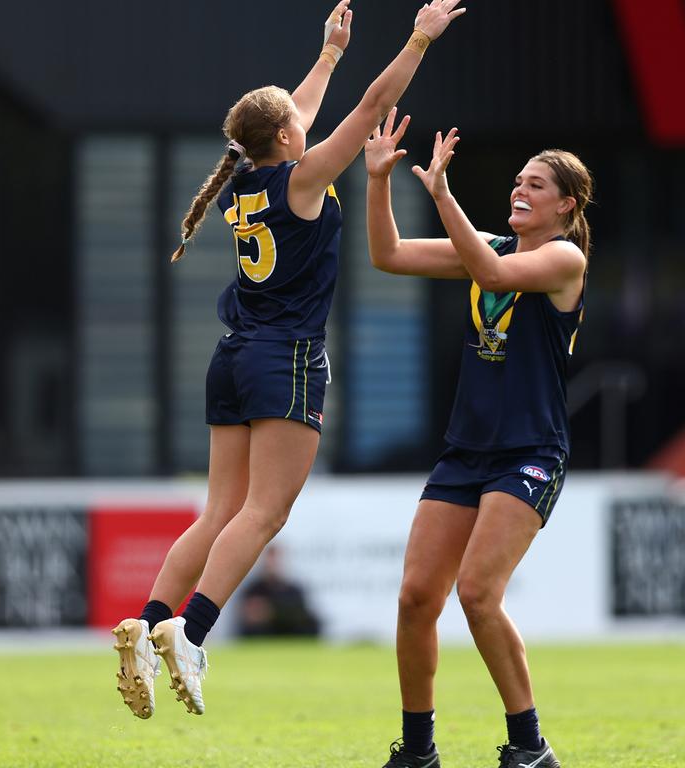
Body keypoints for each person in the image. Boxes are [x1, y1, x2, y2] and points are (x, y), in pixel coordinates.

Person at [112, 0, 469, 720]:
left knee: (219, 511)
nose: (305, 125)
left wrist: (330, 54)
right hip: (288, 358)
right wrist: (418, 40)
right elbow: (373, 105)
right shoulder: (301, 181)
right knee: (266, 513)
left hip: (233, 355)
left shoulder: (241, 183)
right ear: (285, 137)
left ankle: (147, 626)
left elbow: (296, 110)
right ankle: (193, 634)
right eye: (296, 125)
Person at [363, 111, 592, 768]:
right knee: (414, 598)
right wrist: (380, 181)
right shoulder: (487, 246)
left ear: (565, 205)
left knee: (477, 592)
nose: (521, 189)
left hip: (529, 452)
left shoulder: (563, 258)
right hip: (466, 451)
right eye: (518, 180)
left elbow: (492, 277)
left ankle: (530, 747)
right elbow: (389, 255)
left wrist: (440, 193)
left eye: (537, 185)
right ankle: (417, 751)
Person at [238, 545, 321, 638]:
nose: (272, 564)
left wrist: (269, 611)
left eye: (275, 560)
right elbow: (248, 616)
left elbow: (300, 613)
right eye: (270, 560)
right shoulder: (253, 589)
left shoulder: (294, 589)